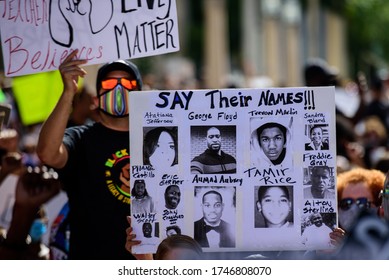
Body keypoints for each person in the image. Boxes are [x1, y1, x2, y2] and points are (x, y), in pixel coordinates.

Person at [36, 49, 145, 260]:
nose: (119, 89)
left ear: (140, 93)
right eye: (109, 85)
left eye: (127, 84)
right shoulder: (81, 138)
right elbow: (47, 153)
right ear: (96, 99)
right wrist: (68, 92)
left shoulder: (158, 139)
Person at [0, 166, 61, 259]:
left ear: (45, 221)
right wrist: (23, 210)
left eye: (36, 217)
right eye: (33, 215)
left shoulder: (44, 256)